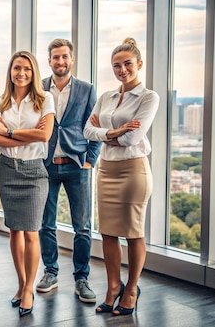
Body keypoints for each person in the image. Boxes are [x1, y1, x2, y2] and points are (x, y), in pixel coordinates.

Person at [83, 38, 159, 315]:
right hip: (107, 169)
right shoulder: (106, 97)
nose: (122, 69)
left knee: (133, 233)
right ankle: (113, 286)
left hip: (133, 170)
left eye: (128, 64)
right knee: (107, 233)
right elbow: (86, 132)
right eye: (117, 65)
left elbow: (133, 138)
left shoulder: (150, 97)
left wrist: (105, 133)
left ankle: (131, 289)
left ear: (139, 64)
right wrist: (115, 132)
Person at [0, 51, 55, 317]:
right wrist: (23, 135)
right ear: (10, 71)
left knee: (31, 231)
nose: (21, 73)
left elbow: (45, 134)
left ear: (34, 71)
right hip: (7, 170)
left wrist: (11, 132)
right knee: (14, 230)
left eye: (27, 68)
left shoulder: (44, 99)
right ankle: (20, 283)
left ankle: (28, 290)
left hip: (34, 172)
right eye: (17, 68)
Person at [37, 39, 101, 303]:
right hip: (46, 164)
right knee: (45, 224)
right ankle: (50, 272)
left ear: (71, 59)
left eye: (64, 57)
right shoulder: (39, 88)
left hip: (77, 165)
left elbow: (94, 126)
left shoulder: (87, 89)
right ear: (49, 60)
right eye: (55, 57)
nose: (60, 61)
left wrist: (90, 161)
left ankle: (81, 278)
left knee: (82, 226)